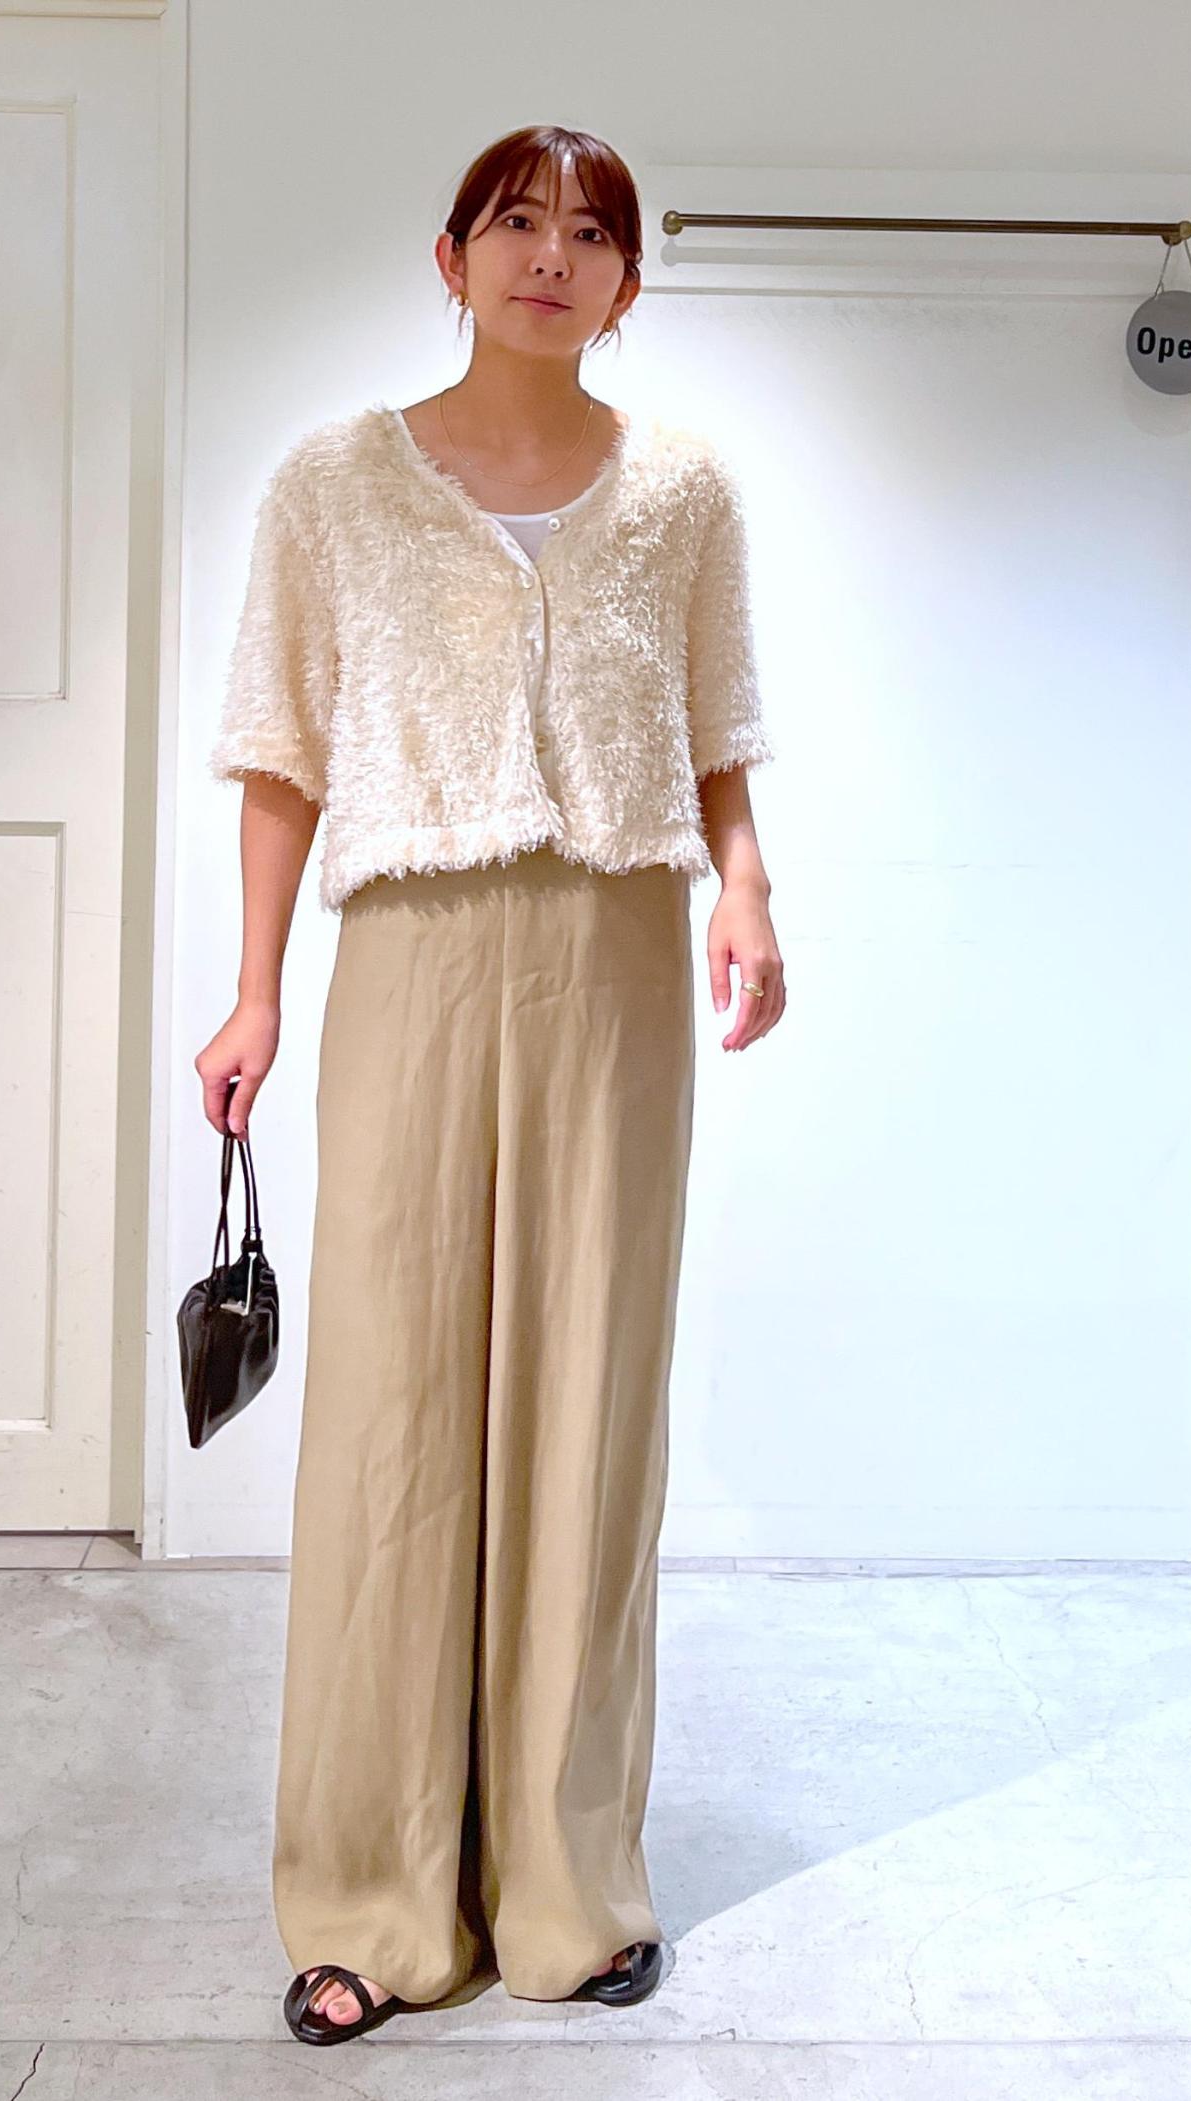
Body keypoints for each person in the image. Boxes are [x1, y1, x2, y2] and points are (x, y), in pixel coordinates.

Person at [196, 123, 786, 2048]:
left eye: (590, 231)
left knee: (588, 1399)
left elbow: (718, 726)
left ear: (630, 281)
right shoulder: (334, 485)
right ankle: (371, 1893)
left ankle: (566, 1878)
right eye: (517, 222)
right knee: (390, 1413)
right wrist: (254, 995)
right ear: (449, 256)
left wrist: (748, 894)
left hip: (617, 948)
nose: (552, 254)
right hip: (414, 951)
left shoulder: (684, 492)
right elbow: (281, 749)